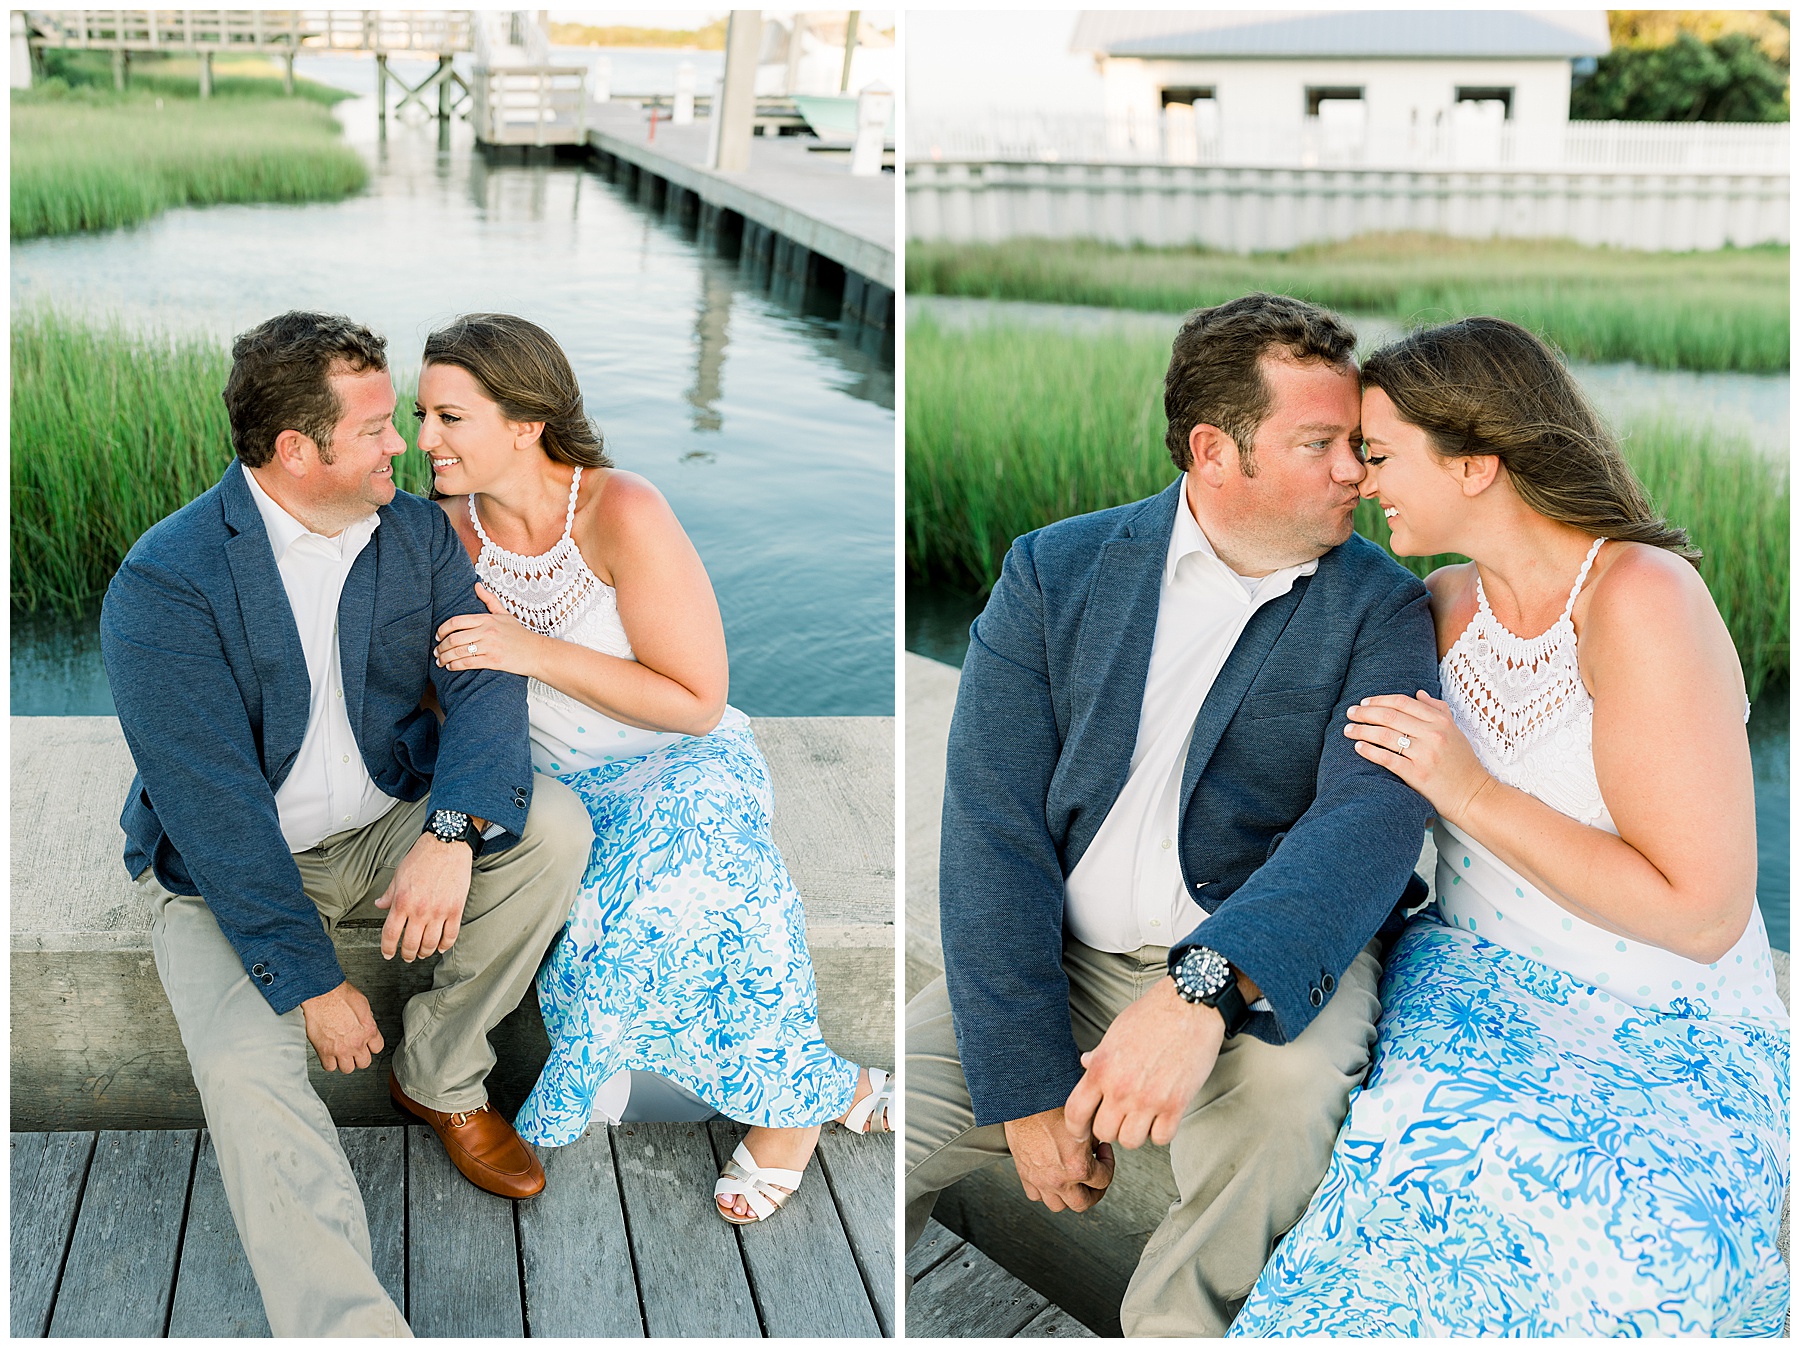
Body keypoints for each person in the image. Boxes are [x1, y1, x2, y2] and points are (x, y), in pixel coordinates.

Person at [1230, 318, 1789, 1337]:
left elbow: (1703, 913)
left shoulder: (1638, 599)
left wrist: (1473, 793)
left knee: (1632, 1256)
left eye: (1383, 451)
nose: (1360, 475)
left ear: (1479, 460)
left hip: (1668, 1022)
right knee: (1396, 1229)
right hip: (1478, 993)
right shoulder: (1436, 609)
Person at [905, 293, 1442, 1335]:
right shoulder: (1053, 572)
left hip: (1263, 971)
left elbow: (1368, 822)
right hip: (1060, 965)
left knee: (1287, 1111)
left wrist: (1204, 987)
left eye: (1359, 446)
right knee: (875, 1135)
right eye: (1320, 443)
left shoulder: (1383, 606)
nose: (1354, 473)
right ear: (1216, 450)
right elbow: (991, 833)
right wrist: (1024, 1091)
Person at [99, 311, 595, 1336]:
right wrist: (315, 981)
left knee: (551, 827)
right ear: (297, 449)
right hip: (220, 871)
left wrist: (450, 832)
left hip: (380, 823)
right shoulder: (167, 582)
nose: (404, 444)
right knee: (247, 1073)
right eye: (375, 428)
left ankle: (441, 1073)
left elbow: (488, 678)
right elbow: (214, 811)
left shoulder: (413, 535)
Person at [412, 312, 892, 1225]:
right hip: (551, 787)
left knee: (695, 872)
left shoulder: (620, 508)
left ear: (525, 422)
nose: (424, 438)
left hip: (676, 759)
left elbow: (696, 699)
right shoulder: (442, 532)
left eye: (449, 417)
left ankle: (790, 1118)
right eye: (421, 414)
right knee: (597, 902)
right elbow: (439, 695)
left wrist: (531, 651)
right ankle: (828, 1090)